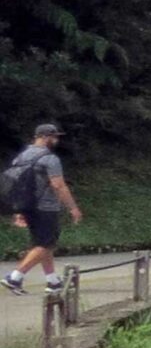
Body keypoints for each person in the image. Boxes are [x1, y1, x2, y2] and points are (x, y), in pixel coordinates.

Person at [3, 123, 81, 295]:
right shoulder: (50, 159)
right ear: (45, 137)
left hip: (27, 206)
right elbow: (59, 185)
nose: (56, 140)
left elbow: (16, 184)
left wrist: (18, 210)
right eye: (54, 137)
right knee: (45, 243)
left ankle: (52, 281)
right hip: (46, 207)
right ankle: (15, 277)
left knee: (44, 243)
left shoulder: (21, 157)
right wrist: (73, 208)